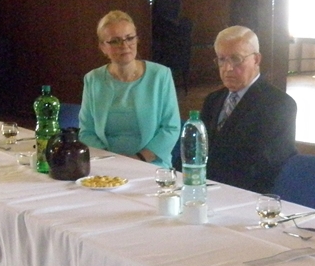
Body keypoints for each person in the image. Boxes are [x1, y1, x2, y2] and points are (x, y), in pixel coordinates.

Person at [200, 25, 297, 193]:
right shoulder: (213, 100)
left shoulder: (279, 105)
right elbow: (198, 149)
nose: (228, 68)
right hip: (206, 188)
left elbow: (265, 163)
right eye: (222, 59)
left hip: (247, 194)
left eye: (236, 59)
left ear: (256, 60)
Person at [78, 10, 180, 167]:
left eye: (130, 38)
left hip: (151, 165)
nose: (124, 46)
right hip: (106, 166)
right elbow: (87, 132)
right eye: (115, 41)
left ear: (137, 39)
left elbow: (171, 128)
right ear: (103, 47)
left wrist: (137, 160)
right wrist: (112, 161)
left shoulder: (160, 75)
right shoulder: (93, 79)